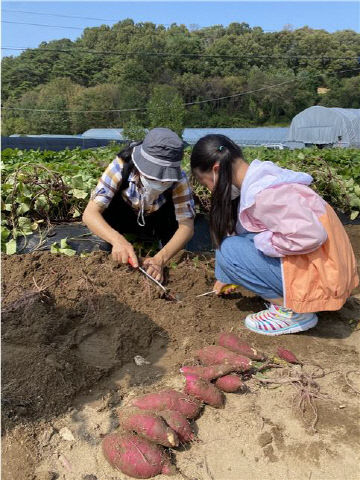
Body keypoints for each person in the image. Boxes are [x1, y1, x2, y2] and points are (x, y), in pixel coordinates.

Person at [190, 134, 358, 336]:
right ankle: (297, 298)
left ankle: (292, 312)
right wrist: (229, 273)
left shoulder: (265, 194)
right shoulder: (264, 179)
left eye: (205, 181)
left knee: (228, 250)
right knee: (236, 247)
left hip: (325, 277)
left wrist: (261, 244)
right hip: (328, 269)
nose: (209, 189)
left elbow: (311, 235)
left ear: (216, 170)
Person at [83, 128, 195, 282]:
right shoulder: (120, 167)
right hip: (123, 217)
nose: (160, 183)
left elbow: (186, 226)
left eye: (165, 180)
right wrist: (117, 240)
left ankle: (156, 241)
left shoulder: (179, 180)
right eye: (153, 177)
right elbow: (90, 214)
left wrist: (160, 259)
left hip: (157, 220)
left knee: (175, 249)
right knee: (107, 243)